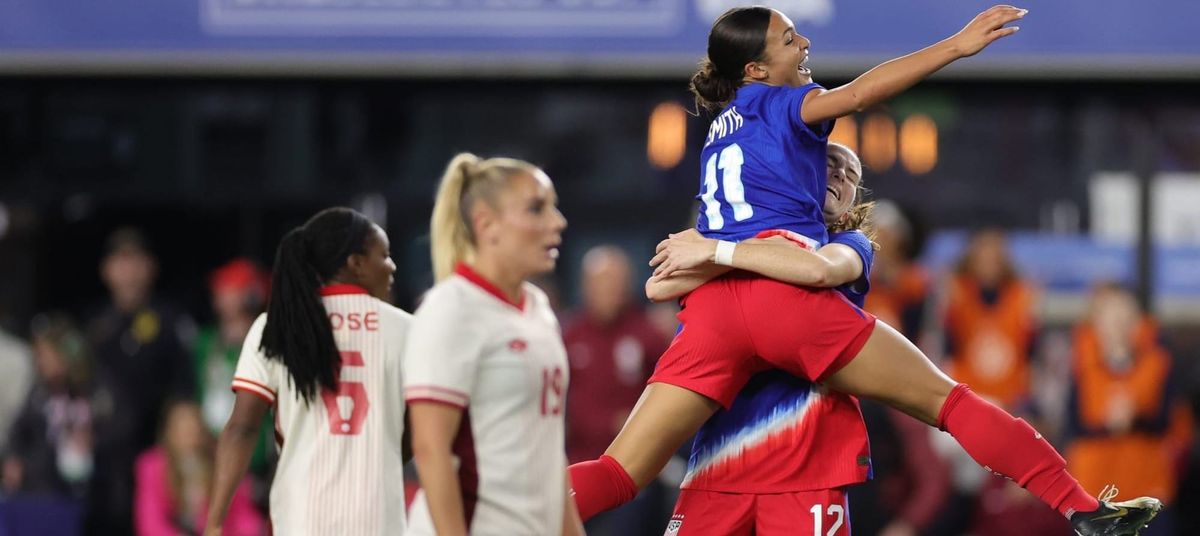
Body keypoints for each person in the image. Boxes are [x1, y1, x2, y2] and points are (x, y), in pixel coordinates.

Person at [568, 6, 1161, 535]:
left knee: (622, 470)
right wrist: (955, 46)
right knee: (949, 402)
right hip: (786, 319)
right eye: (790, 39)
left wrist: (716, 250)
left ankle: (497, 512)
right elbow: (858, 96)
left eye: (849, 177)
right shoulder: (785, 107)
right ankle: (1079, 507)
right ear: (756, 69)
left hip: (718, 321)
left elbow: (668, 280)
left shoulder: (724, 141)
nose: (804, 47)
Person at [403, 153, 582, 535]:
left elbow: (549, 450)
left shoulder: (539, 309)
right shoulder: (451, 308)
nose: (557, 222)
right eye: (537, 209)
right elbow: (431, 450)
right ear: (487, 224)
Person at [206, 207, 409, 536]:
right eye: (384, 255)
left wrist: (215, 522)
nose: (392, 265)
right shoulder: (407, 329)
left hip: (301, 517)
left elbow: (242, 428)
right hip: (379, 518)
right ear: (355, 263)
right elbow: (421, 432)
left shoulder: (276, 326)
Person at [86, 228, 196, 535]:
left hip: (154, 460)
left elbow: (183, 395)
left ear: (151, 267)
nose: (128, 271)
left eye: (135, 261)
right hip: (103, 464)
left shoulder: (170, 323)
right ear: (105, 270)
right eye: (120, 262)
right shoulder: (97, 326)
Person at [563, 245, 672, 536]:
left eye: (617, 283)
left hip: (634, 466)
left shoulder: (647, 334)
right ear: (586, 286)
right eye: (602, 283)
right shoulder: (567, 335)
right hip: (580, 462)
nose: (610, 291)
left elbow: (671, 389)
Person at [1065, 283, 1182, 535]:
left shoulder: (1159, 362)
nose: (1118, 323)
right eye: (1110, 314)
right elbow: (1073, 425)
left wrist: (1135, 418)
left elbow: (1166, 422)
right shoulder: (1081, 364)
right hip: (1095, 493)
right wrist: (1108, 424)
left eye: (1125, 315)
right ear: (1096, 321)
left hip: (1146, 490)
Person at [191, 259, 274, 487]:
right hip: (209, 455)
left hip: (253, 459)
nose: (220, 294)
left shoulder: (267, 342)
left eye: (230, 288)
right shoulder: (205, 342)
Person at [135, 400, 263, 536]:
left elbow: (243, 515)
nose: (189, 435)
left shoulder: (221, 465)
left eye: (193, 427)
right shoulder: (151, 467)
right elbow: (150, 523)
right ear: (169, 432)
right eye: (182, 429)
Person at [943, 228, 1038, 410]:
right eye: (983, 258)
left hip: (1012, 397)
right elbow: (950, 351)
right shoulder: (958, 295)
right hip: (968, 396)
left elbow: (1030, 357)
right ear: (972, 262)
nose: (989, 265)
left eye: (994, 259)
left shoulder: (1021, 297)